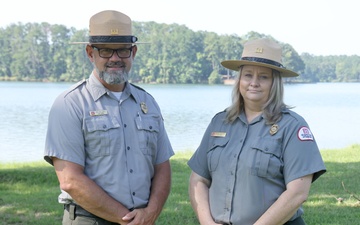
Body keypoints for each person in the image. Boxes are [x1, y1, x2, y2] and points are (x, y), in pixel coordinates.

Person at [44, 10, 174, 225]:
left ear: (133, 52)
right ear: (90, 52)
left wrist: (151, 212)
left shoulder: (148, 103)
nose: (115, 59)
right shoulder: (69, 104)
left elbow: (162, 166)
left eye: (122, 50)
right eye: (105, 51)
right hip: (90, 219)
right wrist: (127, 219)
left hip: (143, 219)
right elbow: (70, 180)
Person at [188, 38, 326, 225]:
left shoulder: (292, 126)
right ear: (239, 80)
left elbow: (297, 193)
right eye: (248, 75)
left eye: (263, 76)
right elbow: (198, 180)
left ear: (274, 82)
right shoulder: (219, 122)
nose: (254, 83)